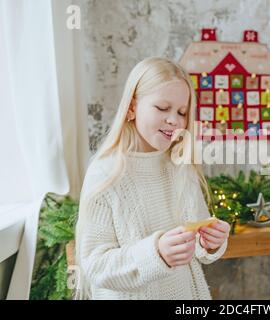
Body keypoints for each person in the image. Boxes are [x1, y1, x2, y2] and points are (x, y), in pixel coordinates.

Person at [75, 57, 230, 300]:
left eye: (182, 112)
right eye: (162, 108)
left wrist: (211, 242)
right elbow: (95, 265)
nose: (174, 120)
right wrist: (155, 253)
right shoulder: (106, 173)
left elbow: (197, 241)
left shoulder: (181, 166)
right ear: (132, 107)